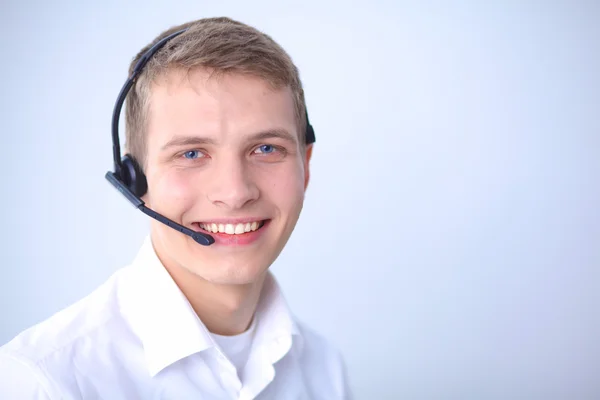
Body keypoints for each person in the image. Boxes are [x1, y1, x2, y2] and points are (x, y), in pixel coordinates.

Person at [0, 17, 352, 399]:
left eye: (266, 148)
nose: (234, 192)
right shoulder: (45, 382)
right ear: (134, 180)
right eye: (192, 153)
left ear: (306, 167)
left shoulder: (323, 369)